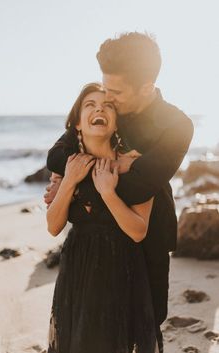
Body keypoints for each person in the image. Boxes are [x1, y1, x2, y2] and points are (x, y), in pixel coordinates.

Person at [45, 32, 194, 353]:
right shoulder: (106, 105)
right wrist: (68, 181)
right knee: (87, 324)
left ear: (146, 87)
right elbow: (57, 155)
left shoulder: (176, 125)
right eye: (105, 86)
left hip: (147, 235)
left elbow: (142, 184)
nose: (107, 96)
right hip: (91, 242)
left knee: (146, 322)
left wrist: (77, 184)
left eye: (115, 91)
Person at [46, 82, 158, 353]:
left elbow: (138, 231)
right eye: (90, 105)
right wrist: (70, 182)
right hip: (77, 265)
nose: (99, 109)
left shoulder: (135, 165)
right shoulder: (66, 165)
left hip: (120, 267)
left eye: (108, 105)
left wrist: (108, 192)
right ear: (77, 123)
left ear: (116, 123)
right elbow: (53, 226)